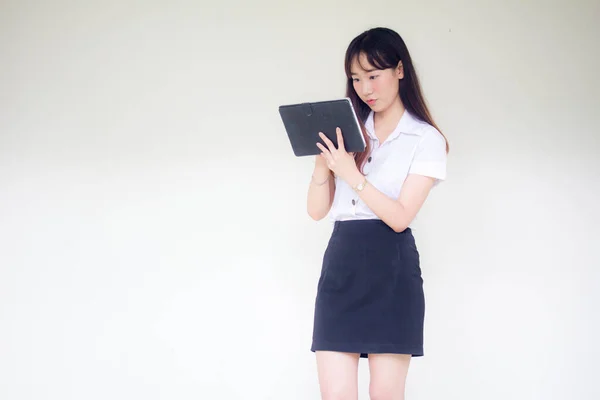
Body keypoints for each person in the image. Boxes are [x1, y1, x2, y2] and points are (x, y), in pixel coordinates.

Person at [306, 27, 449, 400]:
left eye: (374, 75)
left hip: (391, 268)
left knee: (386, 395)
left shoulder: (425, 139)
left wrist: (351, 174)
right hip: (341, 264)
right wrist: (324, 165)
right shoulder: (349, 132)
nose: (366, 88)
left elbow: (400, 217)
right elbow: (316, 211)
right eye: (356, 78)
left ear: (400, 70)